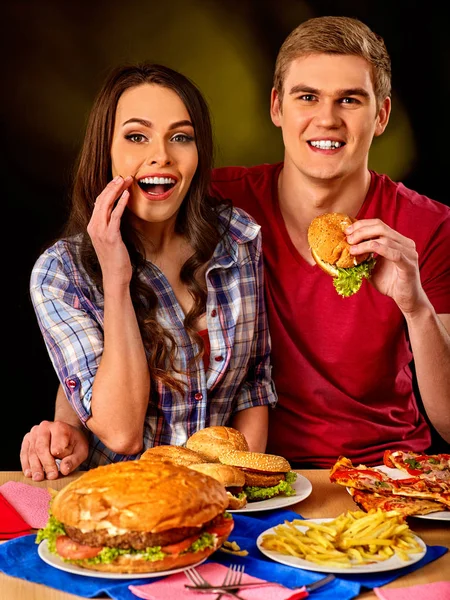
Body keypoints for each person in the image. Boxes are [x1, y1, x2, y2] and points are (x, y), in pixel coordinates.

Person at [22, 16, 450, 479]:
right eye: (307, 96)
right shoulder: (220, 207)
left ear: (381, 114)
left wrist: (417, 306)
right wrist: (69, 428)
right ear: (277, 108)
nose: (327, 118)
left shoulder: (427, 226)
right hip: (268, 476)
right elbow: (96, 313)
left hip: (387, 470)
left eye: (350, 99)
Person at [20, 63, 276, 480]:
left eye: (181, 137)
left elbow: (254, 383)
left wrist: (234, 491)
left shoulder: (239, 240)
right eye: (137, 137)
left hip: (227, 504)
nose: (161, 155)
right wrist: (116, 279)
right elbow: (121, 433)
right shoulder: (59, 274)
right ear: (106, 150)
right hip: (120, 502)